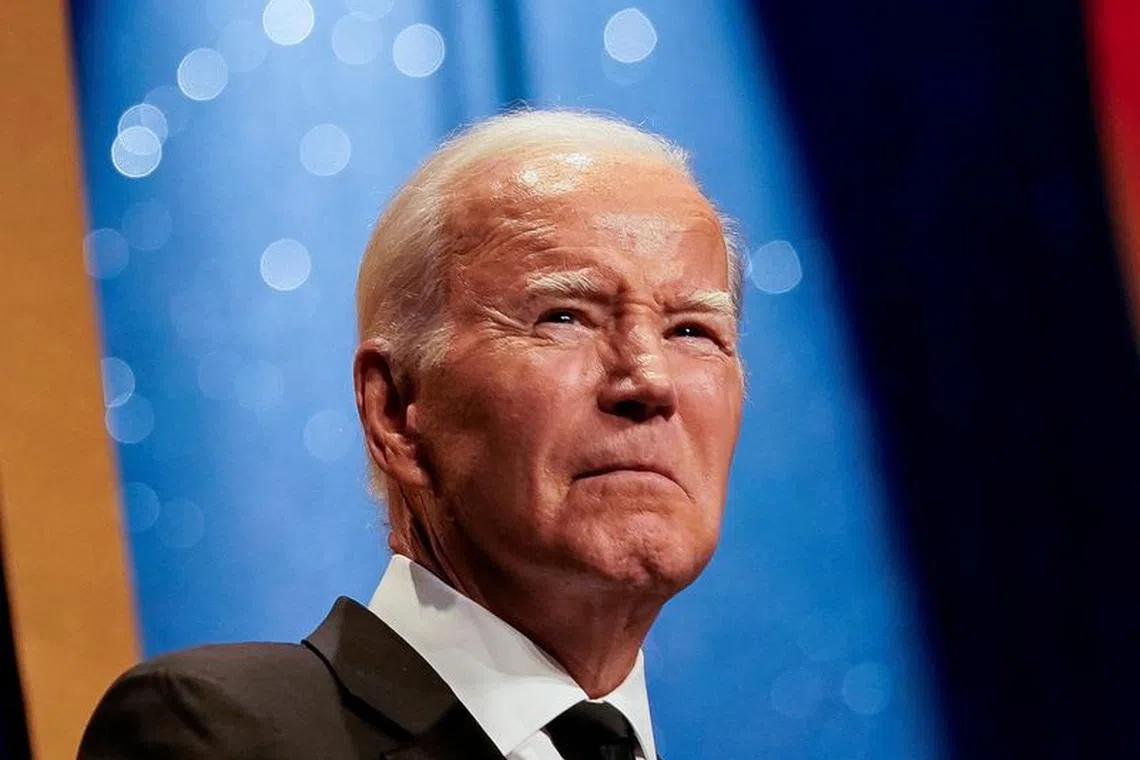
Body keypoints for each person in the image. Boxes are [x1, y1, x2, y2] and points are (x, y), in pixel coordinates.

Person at [79, 109, 746, 759]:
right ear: (395, 409)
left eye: (692, 330)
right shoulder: (224, 732)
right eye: (563, 317)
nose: (649, 380)